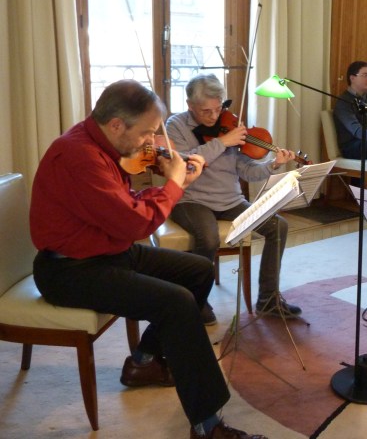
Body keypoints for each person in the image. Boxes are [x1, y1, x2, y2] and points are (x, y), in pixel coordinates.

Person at [30, 79, 266, 439]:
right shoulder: (79, 156)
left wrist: (174, 183)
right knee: (176, 303)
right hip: (69, 269)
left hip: (106, 249)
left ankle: (144, 362)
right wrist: (174, 184)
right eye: (147, 132)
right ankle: (207, 426)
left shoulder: (101, 143)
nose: (152, 141)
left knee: (199, 270)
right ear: (116, 125)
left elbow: (124, 207)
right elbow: (134, 223)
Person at [165, 73, 301, 321]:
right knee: (208, 238)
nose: (214, 116)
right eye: (206, 111)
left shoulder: (229, 123)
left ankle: (268, 300)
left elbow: (247, 171)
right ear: (190, 105)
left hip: (230, 200)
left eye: (218, 109)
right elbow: (185, 164)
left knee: (278, 226)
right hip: (191, 200)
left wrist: (273, 165)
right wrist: (222, 142)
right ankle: (196, 302)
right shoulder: (176, 125)